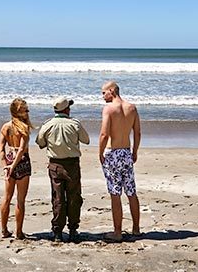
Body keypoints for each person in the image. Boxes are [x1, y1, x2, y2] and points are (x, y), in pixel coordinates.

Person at [36, 96, 90, 242]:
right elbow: (86, 140)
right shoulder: (74, 124)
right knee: (74, 197)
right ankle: (73, 229)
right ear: (67, 109)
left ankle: (58, 231)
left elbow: (40, 142)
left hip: (55, 164)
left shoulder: (47, 125)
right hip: (72, 164)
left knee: (58, 198)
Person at [98, 81, 141, 242]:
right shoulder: (132, 108)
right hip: (126, 152)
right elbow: (137, 132)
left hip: (113, 153)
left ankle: (117, 232)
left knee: (115, 193)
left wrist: (100, 152)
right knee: (131, 191)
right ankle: (136, 229)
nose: (102, 97)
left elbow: (104, 134)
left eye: (104, 93)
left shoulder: (109, 109)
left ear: (112, 91)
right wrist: (134, 151)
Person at [0, 97, 33, 239]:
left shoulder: (5, 127)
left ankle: (4, 230)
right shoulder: (23, 128)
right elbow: (21, 149)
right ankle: (18, 232)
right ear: (20, 112)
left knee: (6, 197)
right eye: (26, 110)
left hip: (10, 159)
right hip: (22, 162)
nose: (28, 112)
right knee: (20, 199)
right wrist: (13, 166)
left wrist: (6, 166)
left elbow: (1, 148)